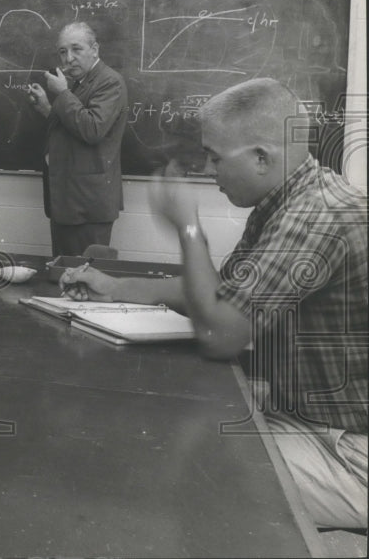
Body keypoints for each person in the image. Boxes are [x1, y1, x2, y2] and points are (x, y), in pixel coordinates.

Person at [60, 78, 367, 530]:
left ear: (262, 158)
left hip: (351, 452)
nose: (207, 169)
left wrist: (188, 228)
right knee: (176, 427)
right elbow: (222, 293)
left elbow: (222, 334)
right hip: (311, 422)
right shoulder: (287, 200)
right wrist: (115, 286)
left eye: (216, 158)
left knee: (194, 468)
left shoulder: (316, 218)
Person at [27, 21, 128, 256]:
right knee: (65, 277)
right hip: (70, 203)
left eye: (76, 49)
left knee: (83, 280)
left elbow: (92, 129)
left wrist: (62, 93)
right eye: (62, 51)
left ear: (95, 49)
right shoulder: (80, 84)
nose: (68, 58)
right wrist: (46, 108)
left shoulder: (109, 82)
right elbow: (73, 128)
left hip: (87, 206)